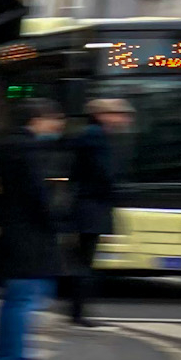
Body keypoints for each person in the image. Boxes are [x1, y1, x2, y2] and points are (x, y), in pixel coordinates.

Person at [0, 99, 69, 360]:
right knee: (25, 297)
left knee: (16, 297)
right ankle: (14, 359)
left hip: (15, 230)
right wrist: (55, 220)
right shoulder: (30, 148)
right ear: (37, 120)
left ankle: (7, 356)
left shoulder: (8, 145)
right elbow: (38, 194)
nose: (57, 126)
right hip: (31, 234)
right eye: (54, 119)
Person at [66, 98, 125, 326]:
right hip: (92, 207)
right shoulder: (95, 136)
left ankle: (77, 309)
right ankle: (78, 312)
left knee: (84, 259)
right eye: (116, 113)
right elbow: (104, 173)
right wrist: (116, 194)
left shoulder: (91, 134)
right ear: (102, 115)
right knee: (85, 261)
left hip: (86, 205)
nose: (121, 118)